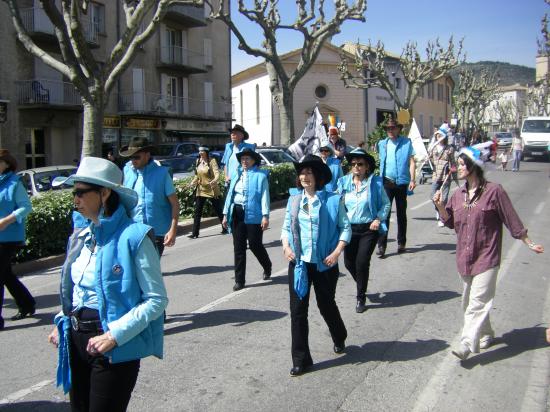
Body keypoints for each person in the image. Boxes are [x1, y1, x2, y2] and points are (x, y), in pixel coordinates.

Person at [47, 157, 168, 411]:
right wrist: (63, 320)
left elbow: (156, 300)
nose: (75, 200)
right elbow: (77, 292)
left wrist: (115, 335)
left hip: (113, 345)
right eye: (74, 193)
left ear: (104, 193)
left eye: (80, 192)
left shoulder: (135, 236)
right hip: (76, 341)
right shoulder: (82, 236)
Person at [433, 147, 544, 361]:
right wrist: (439, 206)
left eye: (463, 164)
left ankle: (466, 343)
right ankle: (486, 333)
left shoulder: (494, 191)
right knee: (470, 303)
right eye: (458, 164)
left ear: (475, 166)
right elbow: (449, 222)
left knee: (476, 303)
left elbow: (512, 219)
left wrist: (528, 243)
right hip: (464, 259)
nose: (458, 168)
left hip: (487, 257)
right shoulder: (457, 195)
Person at [281, 154, 351, 376]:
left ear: (318, 176)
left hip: (325, 264)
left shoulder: (332, 200)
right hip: (300, 264)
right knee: (297, 312)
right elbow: (285, 228)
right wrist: (286, 247)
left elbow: (345, 228)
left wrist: (337, 252)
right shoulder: (293, 200)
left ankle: (339, 335)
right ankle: (301, 359)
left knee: (326, 304)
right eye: (302, 172)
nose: (304, 176)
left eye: (309, 172)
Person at [337, 149, 390, 313]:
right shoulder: (343, 183)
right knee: (348, 263)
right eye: (353, 164)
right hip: (349, 228)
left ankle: (360, 297)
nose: (356, 167)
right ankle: (362, 282)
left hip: (369, 228)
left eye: (360, 164)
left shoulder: (375, 183)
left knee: (361, 262)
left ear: (367, 167)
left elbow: (386, 204)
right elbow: (336, 204)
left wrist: (378, 219)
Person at [119, 137, 179, 257]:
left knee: (148, 270)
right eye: (131, 157)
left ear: (147, 155)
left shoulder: (162, 174)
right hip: (132, 230)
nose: (133, 160)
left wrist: (172, 230)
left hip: (156, 232)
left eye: (137, 157)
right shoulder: (127, 171)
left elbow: (175, 204)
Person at [222, 148, 272, 291]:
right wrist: (225, 214)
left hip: (254, 214)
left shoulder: (260, 176)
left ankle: (267, 266)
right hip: (237, 213)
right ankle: (239, 280)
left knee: (255, 245)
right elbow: (230, 195)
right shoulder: (236, 174)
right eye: (242, 159)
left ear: (254, 160)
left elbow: (264, 197)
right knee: (239, 248)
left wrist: (265, 216)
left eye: (247, 159)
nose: (244, 161)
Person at [0, 149, 35, 329]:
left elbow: (25, 207)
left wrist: (6, 221)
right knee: (5, 274)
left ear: (7, 164)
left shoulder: (14, 183)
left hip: (9, 236)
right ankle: (27, 304)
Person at [376, 119, 416, 257]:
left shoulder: (406, 143)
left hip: (401, 182)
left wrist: (412, 179)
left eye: (393, 128)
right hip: (386, 182)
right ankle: (381, 245)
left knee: (401, 214)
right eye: (388, 129)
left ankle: (401, 242)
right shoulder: (381, 144)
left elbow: (412, 162)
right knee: (384, 214)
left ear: (398, 129)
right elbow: (379, 161)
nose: (390, 131)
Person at [188, 146, 226, 238]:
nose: (200, 152)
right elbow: (197, 176)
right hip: (201, 190)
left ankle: (225, 228)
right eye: (199, 151)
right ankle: (194, 233)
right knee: (197, 212)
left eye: (202, 151)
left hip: (212, 190)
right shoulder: (198, 161)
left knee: (219, 210)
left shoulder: (212, 161)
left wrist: (215, 180)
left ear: (206, 152)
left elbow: (217, 174)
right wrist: (192, 182)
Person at [428, 127, 456, 227]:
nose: (438, 137)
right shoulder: (434, 147)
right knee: (433, 196)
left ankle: (441, 217)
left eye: (440, 135)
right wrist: (427, 158)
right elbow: (430, 160)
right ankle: (438, 209)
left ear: (444, 137)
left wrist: (453, 171)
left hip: (446, 175)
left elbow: (453, 162)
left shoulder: (449, 148)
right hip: (436, 175)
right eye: (437, 135)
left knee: (443, 198)